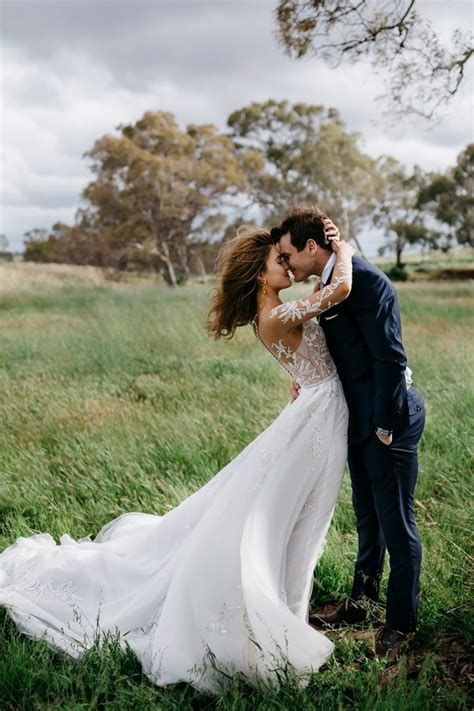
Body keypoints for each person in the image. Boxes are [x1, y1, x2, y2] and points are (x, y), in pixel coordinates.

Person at [0, 222, 353, 694]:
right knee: (294, 518)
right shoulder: (272, 317)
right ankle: (279, 619)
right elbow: (343, 285)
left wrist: (303, 374)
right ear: (259, 275)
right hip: (316, 418)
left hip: (315, 413)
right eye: (279, 261)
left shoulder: (277, 312)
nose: (287, 265)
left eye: (286, 259)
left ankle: (287, 610)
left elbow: (308, 356)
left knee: (298, 518)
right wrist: (343, 247)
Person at [271, 204, 425, 660]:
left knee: (397, 522)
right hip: (356, 419)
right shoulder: (331, 282)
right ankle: (361, 603)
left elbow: (390, 360)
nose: (287, 264)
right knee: (367, 515)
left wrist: (383, 426)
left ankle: (401, 623)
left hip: (387, 420)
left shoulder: (367, 281)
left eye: (288, 255)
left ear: (312, 247)